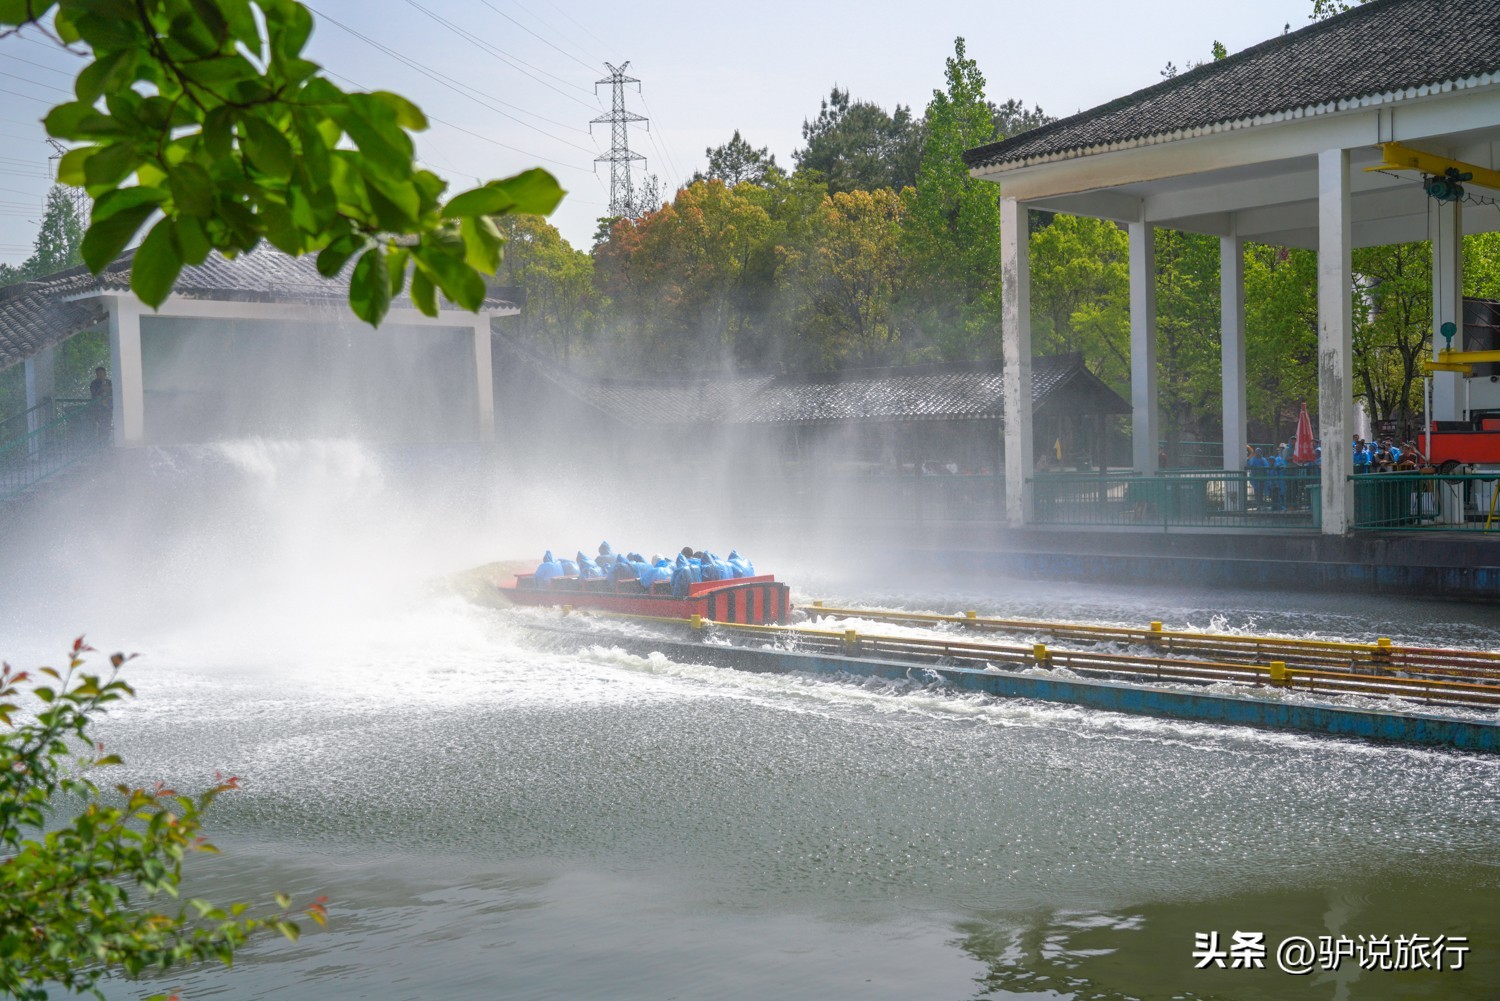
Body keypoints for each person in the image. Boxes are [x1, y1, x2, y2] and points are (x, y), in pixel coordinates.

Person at [88, 366, 113, 441]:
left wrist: (109, 389)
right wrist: (101, 389)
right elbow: (94, 394)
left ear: (105, 374)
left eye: (102, 373)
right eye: (98, 374)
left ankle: (106, 440)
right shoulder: (94, 383)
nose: (100, 375)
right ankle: (99, 441)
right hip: (98, 408)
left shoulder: (109, 382)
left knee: (107, 424)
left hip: (108, 407)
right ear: (96, 374)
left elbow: (113, 392)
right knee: (99, 425)